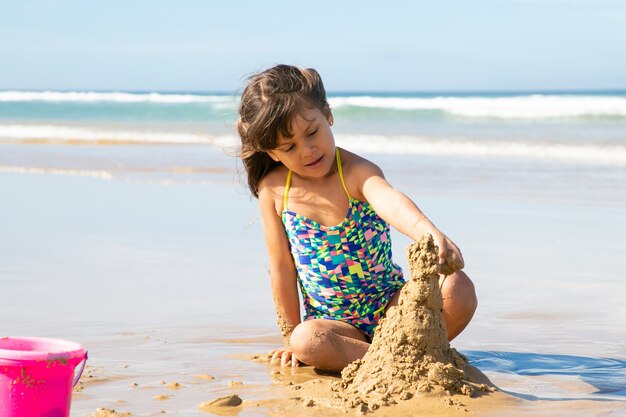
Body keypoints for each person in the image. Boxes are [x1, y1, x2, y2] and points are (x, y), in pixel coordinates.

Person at [236, 64, 477, 372]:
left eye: (312, 133)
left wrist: (427, 233)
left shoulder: (355, 172)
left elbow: (390, 201)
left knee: (458, 287)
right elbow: (282, 268)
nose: (307, 150)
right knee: (306, 341)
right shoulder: (274, 191)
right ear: (271, 153)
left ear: (328, 115)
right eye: (289, 147)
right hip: (335, 328)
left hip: (392, 307)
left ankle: (401, 352)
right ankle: (397, 359)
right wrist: (288, 337)